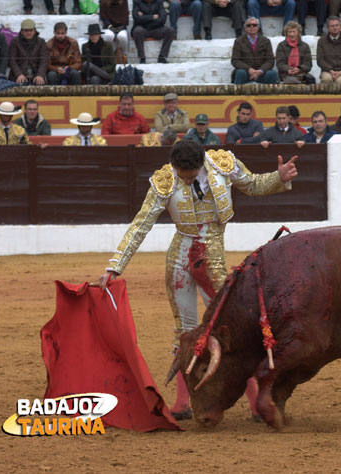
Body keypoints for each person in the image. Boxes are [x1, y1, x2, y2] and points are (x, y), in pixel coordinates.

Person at [97, 140, 299, 420]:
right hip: (180, 257)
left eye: (190, 175)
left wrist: (278, 177)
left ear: (202, 163)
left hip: (213, 256)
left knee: (230, 330)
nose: (186, 179)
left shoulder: (222, 165)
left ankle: (255, 403)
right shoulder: (165, 180)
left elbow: (253, 185)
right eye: (182, 175)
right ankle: (182, 403)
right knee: (186, 330)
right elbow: (140, 225)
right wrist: (114, 267)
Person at [231, 17, 278, 84]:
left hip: (262, 73)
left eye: (254, 25)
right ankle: (237, 94)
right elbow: (235, 60)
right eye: (249, 25)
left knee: (272, 74)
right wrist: (249, 69)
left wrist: (261, 70)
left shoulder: (266, 41)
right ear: (245, 28)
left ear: (258, 27)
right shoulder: (238, 41)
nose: (252, 27)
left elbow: (270, 60)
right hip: (245, 72)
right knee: (240, 73)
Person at [8, 19, 48, 86]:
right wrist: (19, 74)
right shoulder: (14, 41)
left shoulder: (41, 42)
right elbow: (12, 60)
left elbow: (44, 60)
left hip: (36, 74)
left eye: (31, 30)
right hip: (18, 74)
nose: (28, 33)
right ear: (22, 31)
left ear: (35, 31)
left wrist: (40, 75)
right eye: (26, 30)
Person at [317, 16, 341, 84]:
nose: (335, 27)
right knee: (326, 79)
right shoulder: (321, 41)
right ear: (328, 28)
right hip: (327, 71)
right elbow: (320, 60)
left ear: (340, 26)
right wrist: (330, 70)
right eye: (332, 26)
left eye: (337, 25)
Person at [46, 22, 82, 86]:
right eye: (58, 33)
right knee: (51, 75)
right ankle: (53, 95)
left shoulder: (73, 43)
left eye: (62, 33)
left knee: (75, 74)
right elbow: (47, 64)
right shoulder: (49, 44)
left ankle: (76, 95)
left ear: (66, 33)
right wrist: (57, 69)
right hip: (56, 71)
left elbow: (78, 62)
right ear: (54, 33)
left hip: (70, 69)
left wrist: (69, 68)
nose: (60, 36)